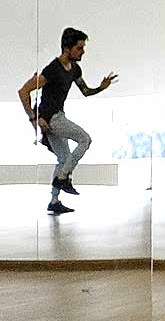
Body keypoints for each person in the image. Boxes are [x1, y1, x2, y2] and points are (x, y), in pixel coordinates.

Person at [18, 27, 116, 217]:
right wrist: (34, 118)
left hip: (55, 118)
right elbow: (23, 91)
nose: (83, 51)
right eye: (79, 48)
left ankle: (54, 201)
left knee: (63, 158)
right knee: (85, 140)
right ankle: (63, 178)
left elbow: (86, 91)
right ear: (67, 48)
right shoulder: (52, 69)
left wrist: (102, 88)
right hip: (51, 118)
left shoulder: (75, 69)